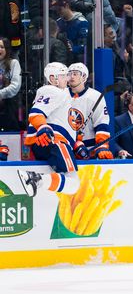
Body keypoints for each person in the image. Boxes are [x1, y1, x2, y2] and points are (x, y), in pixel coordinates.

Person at [18, 63, 81, 197]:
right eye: (63, 75)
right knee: (73, 183)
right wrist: (43, 127)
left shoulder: (62, 94)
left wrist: (77, 144)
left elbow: (66, 124)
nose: (67, 79)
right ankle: (35, 179)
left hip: (51, 143)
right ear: (52, 79)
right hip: (55, 142)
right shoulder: (53, 91)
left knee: (70, 182)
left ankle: (37, 179)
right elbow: (35, 113)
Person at [66, 62, 112, 160]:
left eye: (75, 74)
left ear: (84, 77)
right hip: (66, 149)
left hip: (89, 150)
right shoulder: (61, 95)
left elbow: (101, 123)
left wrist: (102, 146)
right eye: (69, 74)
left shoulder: (95, 96)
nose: (71, 77)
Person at [0, 36, 21, 130]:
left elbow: (15, 86)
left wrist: (1, 94)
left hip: (9, 106)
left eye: (2, 47)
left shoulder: (13, 63)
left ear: (7, 49)